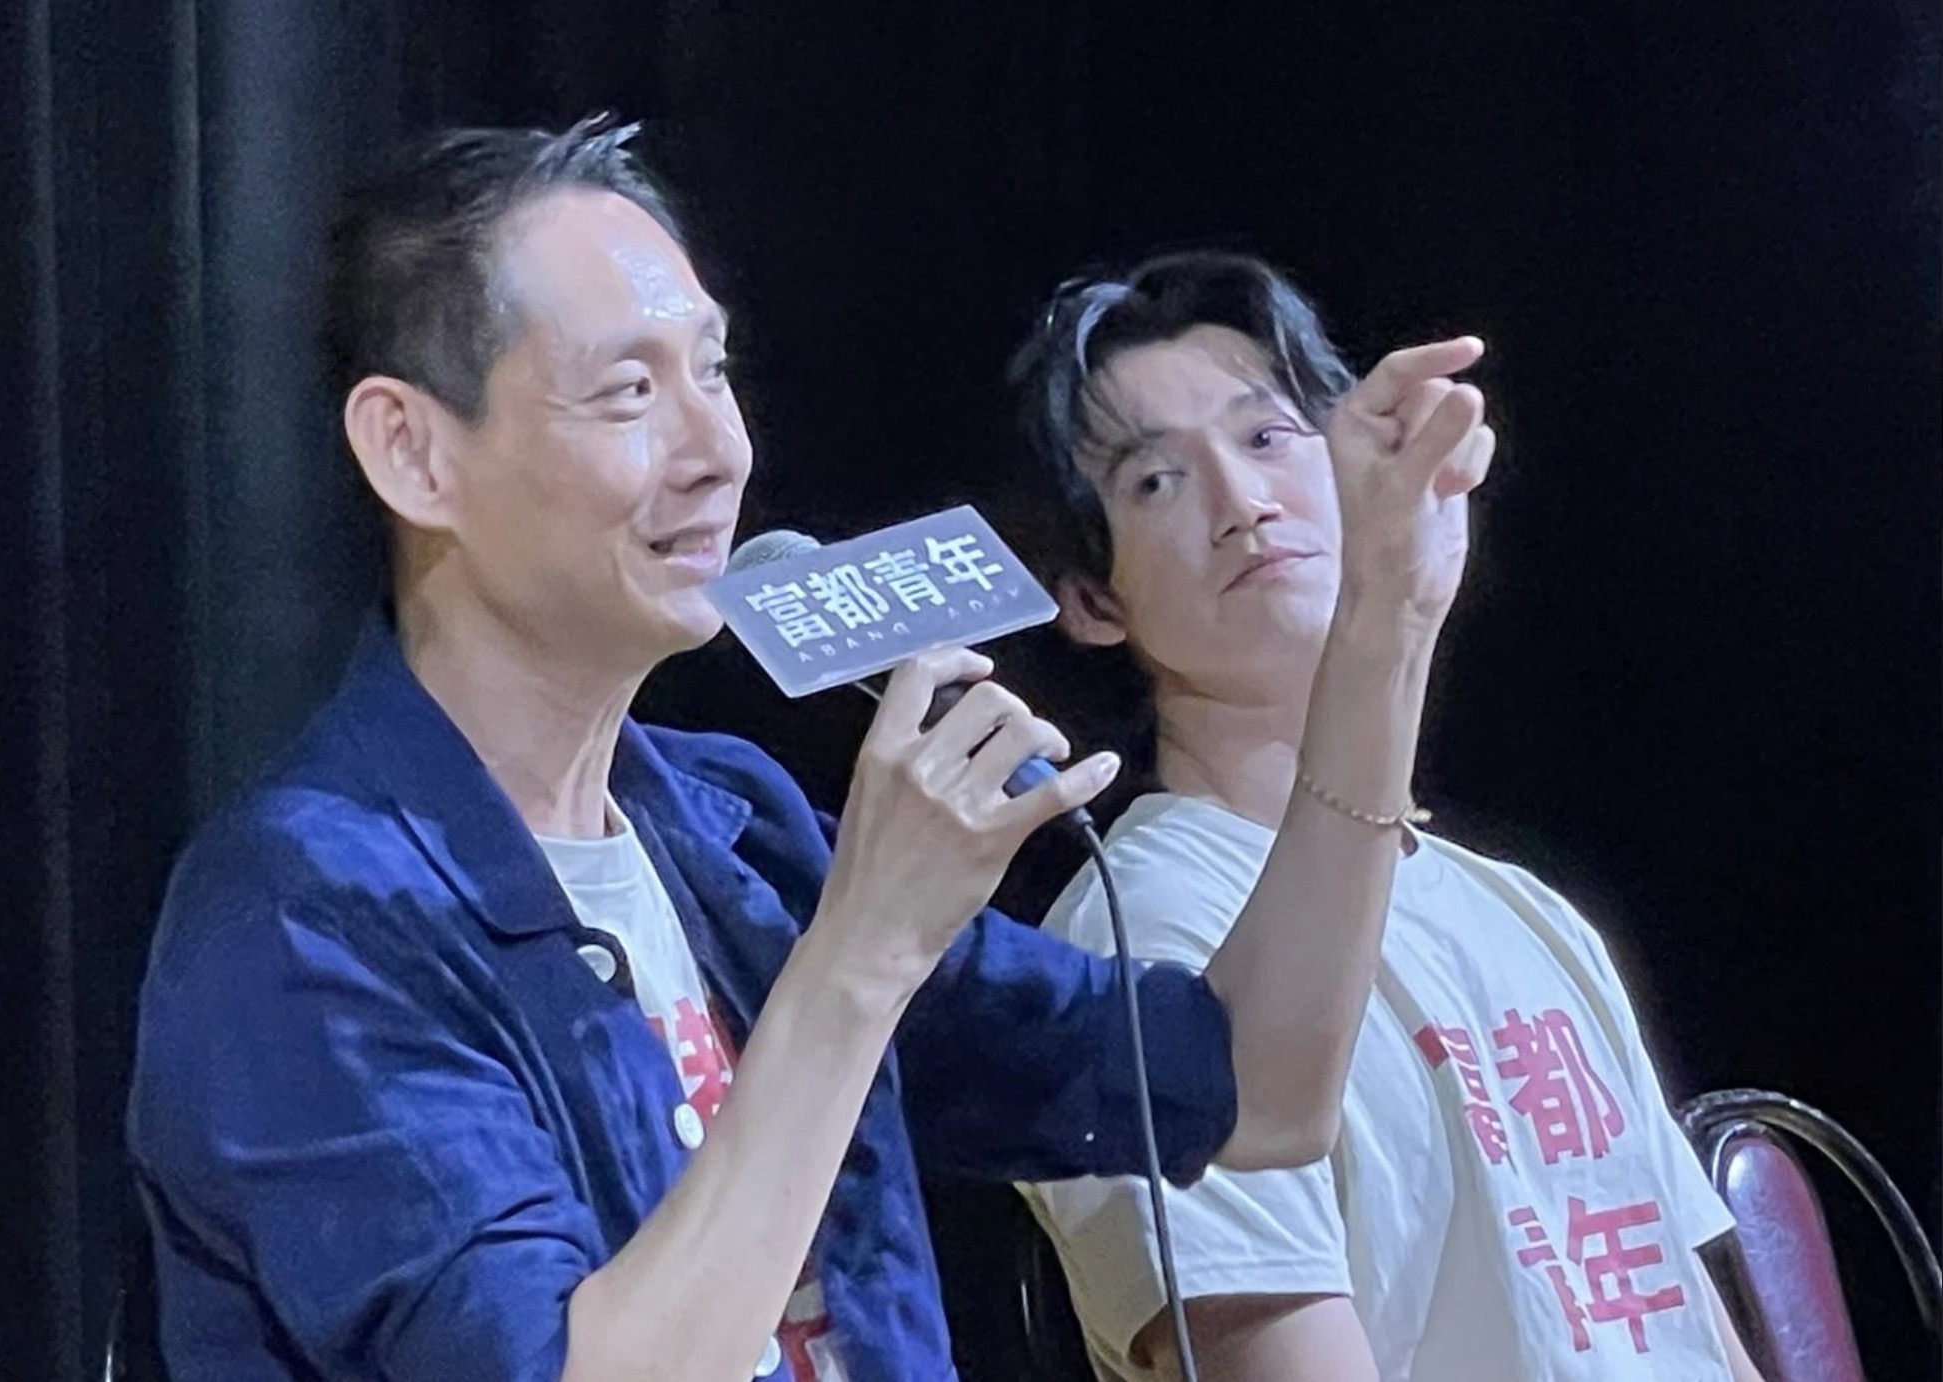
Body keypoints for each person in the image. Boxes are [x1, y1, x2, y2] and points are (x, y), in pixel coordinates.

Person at [127, 117, 1489, 1382]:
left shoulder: (729, 833)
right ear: (414, 453)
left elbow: (1255, 1085)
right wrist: (860, 955)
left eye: (713, 370)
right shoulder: (305, 912)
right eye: (628, 391)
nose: (716, 448)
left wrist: (1385, 624)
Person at [1006, 250, 1765, 1381]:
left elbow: (1687, 1334)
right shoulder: (1139, 933)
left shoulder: (1523, 910)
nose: (1244, 503)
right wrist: (1390, 619)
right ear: (1090, 598)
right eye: (1156, 481)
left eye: (1269, 437)